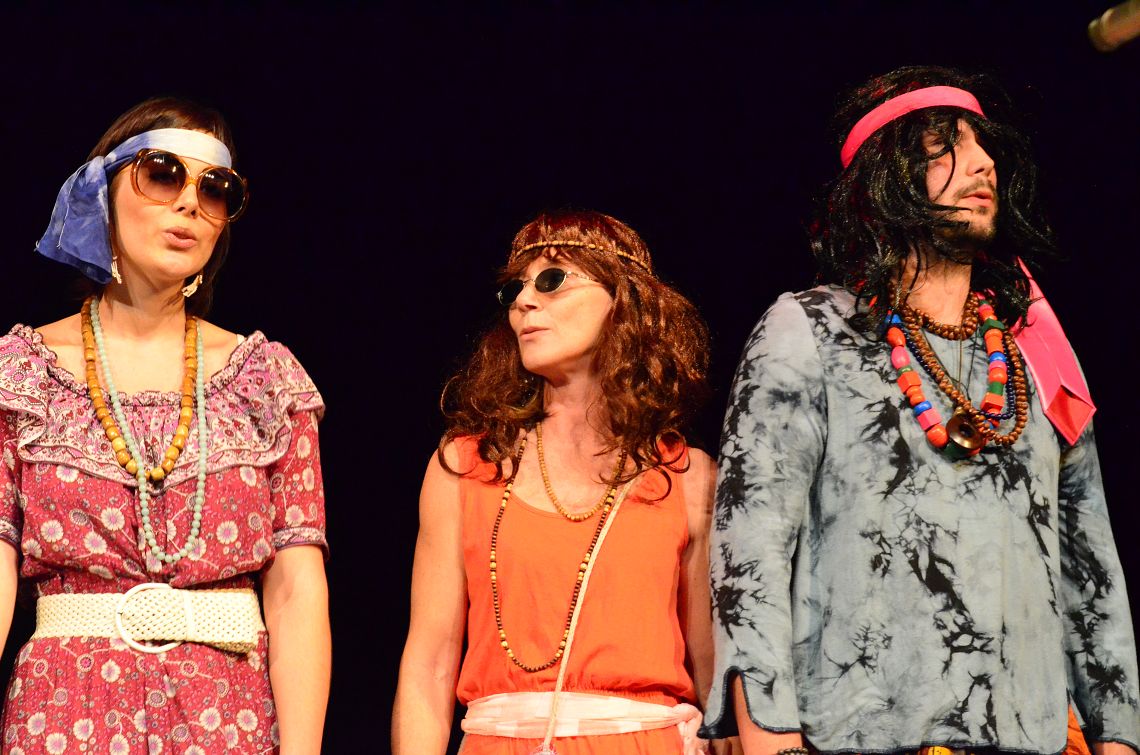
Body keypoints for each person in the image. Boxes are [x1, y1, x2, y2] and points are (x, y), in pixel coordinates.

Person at [701, 66, 1138, 755]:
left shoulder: (1037, 359)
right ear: (887, 176)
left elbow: (1092, 564)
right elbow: (750, 548)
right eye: (946, 146)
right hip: (854, 737)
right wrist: (769, 737)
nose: (983, 164)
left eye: (984, 146)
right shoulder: (811, 330)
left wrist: (1117, 739)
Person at [0, 98, 330, 753]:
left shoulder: (266, 380)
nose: (188, 203)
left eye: (215, 189)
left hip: (227, 714)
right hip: (66, 712)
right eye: (162, 173)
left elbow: (296, 592)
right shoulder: (21, 373)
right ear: (101, 193)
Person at [392, 210, 717, 754]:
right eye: (515, 289)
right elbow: (428, 669)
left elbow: (714, 674)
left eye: (552, 280)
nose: (524, 301)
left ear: (624, 301)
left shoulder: (688, 477)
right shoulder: (465, 467)